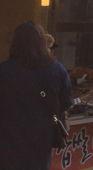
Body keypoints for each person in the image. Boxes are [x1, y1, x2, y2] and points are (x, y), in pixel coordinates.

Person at [0, 22, 72, 170]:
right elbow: (66, 103)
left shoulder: (4, 70)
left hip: (7, 141)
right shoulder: (58, 70)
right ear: (42, 42)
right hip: (42, 141)